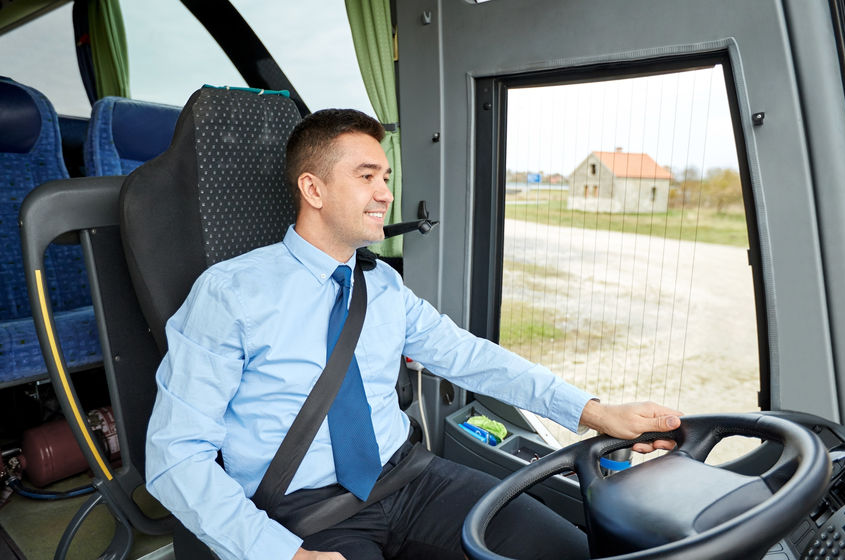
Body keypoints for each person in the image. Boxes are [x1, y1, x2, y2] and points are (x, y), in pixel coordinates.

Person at [145, 108, 683, 560]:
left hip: (410, 478)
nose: (385, 193)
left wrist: (594, 412)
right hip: (303, 514)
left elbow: (471, 357)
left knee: (570, 551)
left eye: (386, 177)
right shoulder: (230, 294)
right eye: (366, 176)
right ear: (313, 188)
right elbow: (175, 457)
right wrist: (280, 553)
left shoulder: (382, 284)